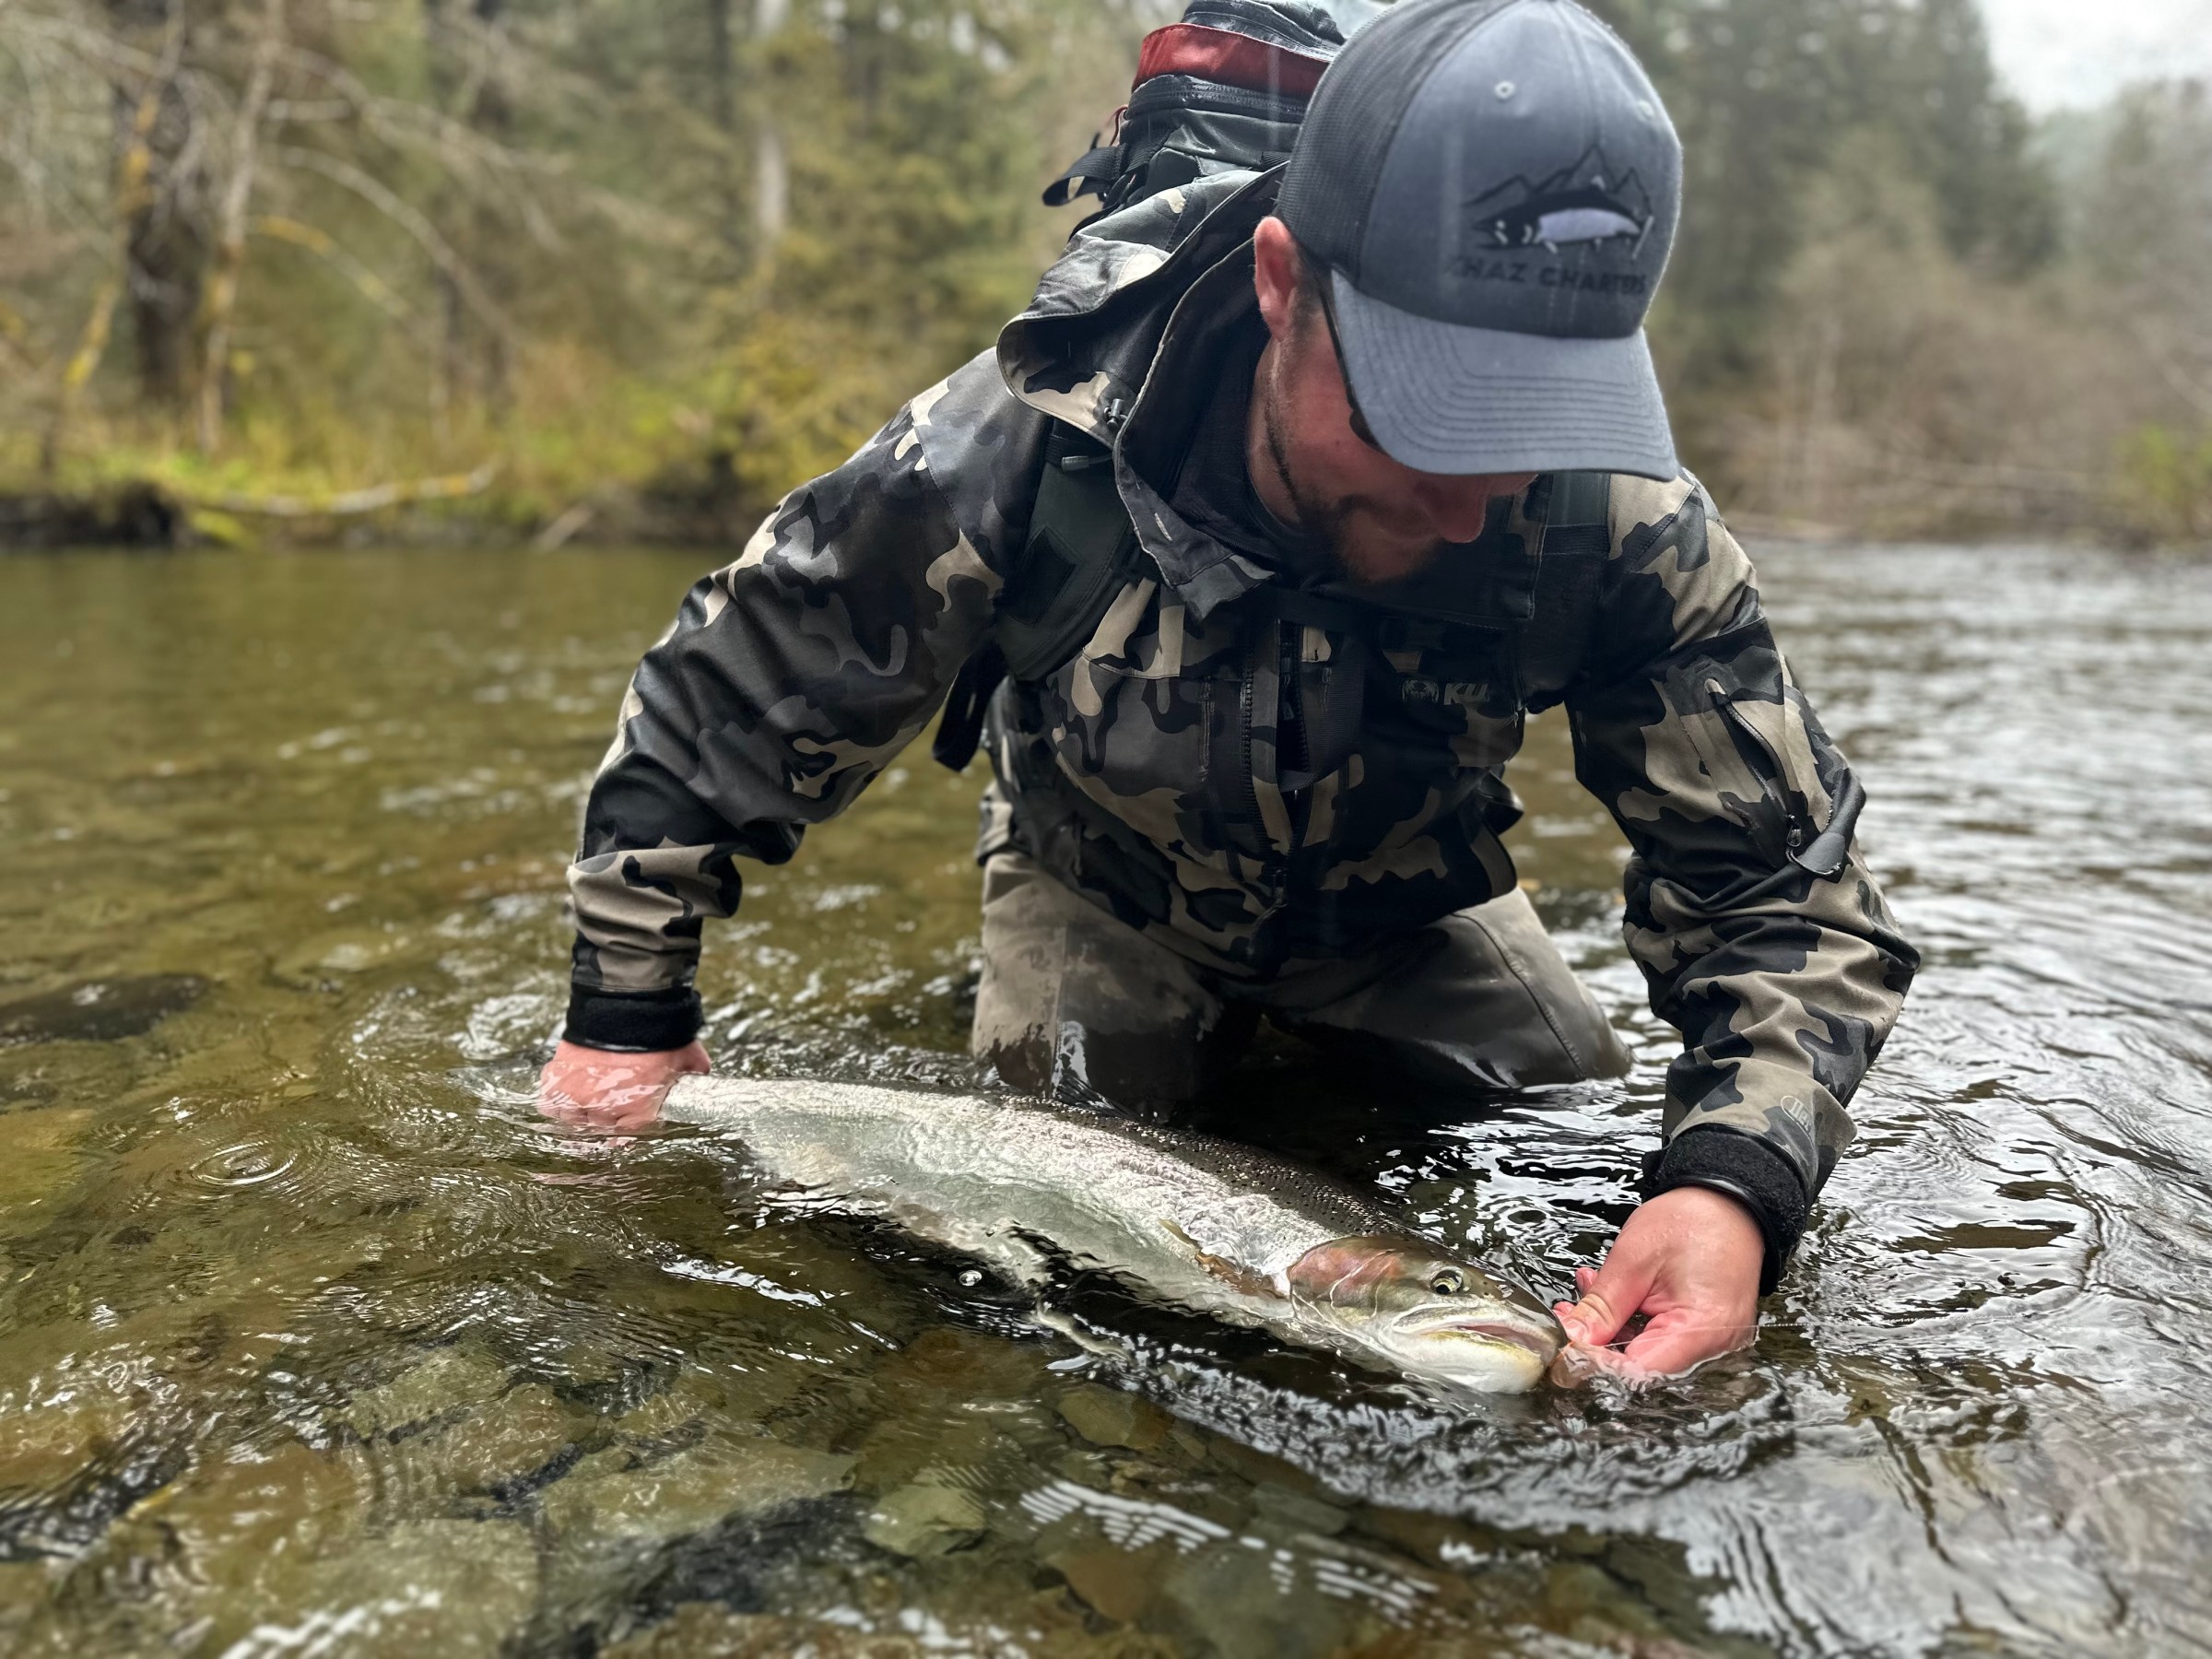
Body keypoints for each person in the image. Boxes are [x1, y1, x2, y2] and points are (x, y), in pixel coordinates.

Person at [537, 0, 1918, 1379]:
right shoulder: (1012, 449)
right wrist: (627, 1022)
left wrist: (1730, 1187)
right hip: (1099, 889)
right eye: (1424, 412)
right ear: (1280, 285)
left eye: (1529, 426)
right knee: (1059, 1302)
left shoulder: (1625, 523)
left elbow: (1780, 887)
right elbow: (719, 711)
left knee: (1582, 1143)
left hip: (1407, 916)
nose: (1465, 500)